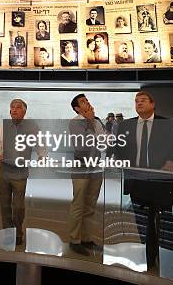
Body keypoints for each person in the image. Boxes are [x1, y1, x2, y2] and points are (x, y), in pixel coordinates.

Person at [113, 91, 173, 275]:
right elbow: (118, 148)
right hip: (137, 183)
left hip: (161, 182)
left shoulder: (167, 124)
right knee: (143, 223)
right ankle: (149, 259)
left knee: (164, 223)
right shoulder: (126, 125)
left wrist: (172, 162)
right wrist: (116, 160)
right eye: (136, 101)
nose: (139, 103)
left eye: (143, 101)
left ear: (153, 104)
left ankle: (168, 262)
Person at [0, 99, 45, 246]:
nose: (14, 110)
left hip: (20, 173)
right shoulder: (3, 125)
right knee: (4, 204)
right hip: (3, 170)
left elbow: (40, 142)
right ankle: (8, 234)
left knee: (18, 207)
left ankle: (18, 231)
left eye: (18, 107)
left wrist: (42, 155)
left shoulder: (31, 126)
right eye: (12, 107)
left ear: (24, 111)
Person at [67, 94, 106, 256]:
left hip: (96, 167)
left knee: (90, 205)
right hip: (81, 167)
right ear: (77, 108)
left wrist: (93, 122)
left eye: (87, 100)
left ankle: (86, 238)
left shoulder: (97, 120)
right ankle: (74, 240)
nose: (87, 103)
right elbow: (83, 144)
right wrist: (90, 123)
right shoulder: (75, 122)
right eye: (83, 102)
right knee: (78, 204)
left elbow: (104, 142)